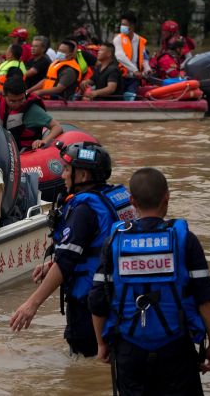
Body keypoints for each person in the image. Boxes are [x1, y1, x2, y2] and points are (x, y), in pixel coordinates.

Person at [90, 167, 210, 395]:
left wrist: (102, 343)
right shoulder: (184, 239)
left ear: (132, 201)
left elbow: (98, 300)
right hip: (176, 346)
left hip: (130, 348)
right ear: (167, 197)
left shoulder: (114, 242)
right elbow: (205, 298)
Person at [10, 143, 135, 357]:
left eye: (67, 170)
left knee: (85, 366)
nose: (63, 175)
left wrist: (32, 304)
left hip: (90, 304)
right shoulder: (115, 197)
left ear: (83, 175)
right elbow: (98, 247)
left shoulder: (84, 210)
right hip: (121, 296)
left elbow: (67, 262)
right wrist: (52, 265)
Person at [0, 77, 63, 150]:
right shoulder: (0, 105)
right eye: (12, 101)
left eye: (21, 99)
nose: (18, 104)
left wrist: (44, 141)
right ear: (4, 95)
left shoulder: (33, 110)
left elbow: (57, 127)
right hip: (4, 149)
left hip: (24, 152)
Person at [112, 10, 151, 100]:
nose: (122, 27)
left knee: (130, 99)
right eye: (121, 24)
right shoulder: (118, 39)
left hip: (134, 79)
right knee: (118, 100)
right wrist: (135, 70)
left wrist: (148, 69)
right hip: (120, 77)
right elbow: (120, 56)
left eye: (124, 24)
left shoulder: (140, 40)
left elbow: (144, 58)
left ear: (132, 26)